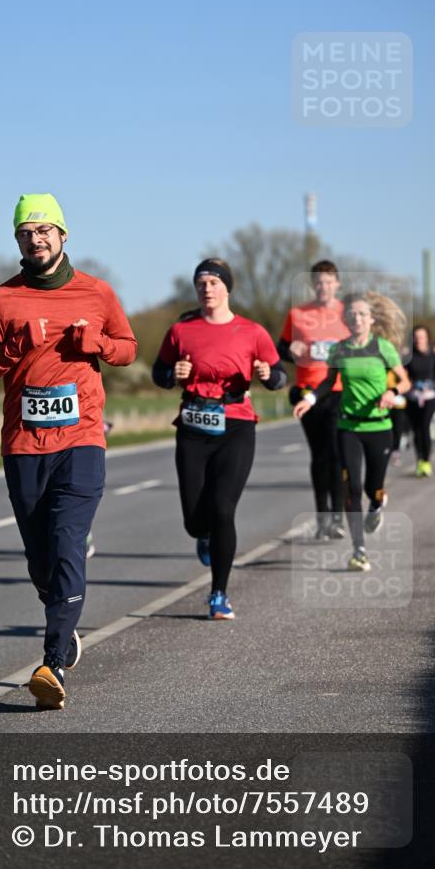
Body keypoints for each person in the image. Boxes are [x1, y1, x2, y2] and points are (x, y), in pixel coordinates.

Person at [0, 193, 137, 709]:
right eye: (25, 233)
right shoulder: (3, 300)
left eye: (44, 231)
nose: (35, 240)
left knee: (65, 543)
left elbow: (127, 348)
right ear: (17, 239)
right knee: (42, 560)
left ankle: (52, 662)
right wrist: (14, 347)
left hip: (82, 438)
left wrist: (98, 346)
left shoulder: (96, 292)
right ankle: (62, 611)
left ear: (63, 235)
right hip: (23, 444)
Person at [152, 258, 286, 619]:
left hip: (236, 425)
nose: (207, 288)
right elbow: (159, 372)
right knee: (195, 520)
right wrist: (172, 374)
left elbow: (279, 375)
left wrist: (267, 374)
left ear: (227, 288)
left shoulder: (252, 331)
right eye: (201, 283)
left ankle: (219, 594)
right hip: (194, 426)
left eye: (213, 282)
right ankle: (203, 535)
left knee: (224, 509)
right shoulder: (182, 330)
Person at [293, 292, 410, 572]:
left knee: (373, 488)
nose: (356, 318)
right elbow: (327, 383)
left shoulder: (383, 348)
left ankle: (378, 503)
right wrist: (309, 400)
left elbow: (405, 382)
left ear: (371, 320)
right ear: (347, 320)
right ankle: (359, 551)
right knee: (353, 488)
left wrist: (391, 392)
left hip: (380, 428)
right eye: (352, 314)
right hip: (348, 427)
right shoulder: (339, 350)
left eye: (361, 314)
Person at [278, 260, 350, 540]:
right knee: (319, 455)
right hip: (307, 394)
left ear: (337, 284)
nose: (323, 287)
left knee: (336, 453)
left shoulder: (348, 314)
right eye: (318, 282)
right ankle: (322, 517)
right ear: (313, 284)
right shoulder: (297, 314)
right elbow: (281, 348)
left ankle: (337, 517)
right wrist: (289, 350)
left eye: (328, 281)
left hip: (338, 391)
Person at [405, 326, 435, 477]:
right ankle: (419, 459)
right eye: (416, 336)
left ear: (427, 338)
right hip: (413, 397)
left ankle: (426, 460)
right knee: (416, 431)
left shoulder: (432, 356)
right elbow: (403, 374)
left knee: (425, 427)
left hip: (429, 396)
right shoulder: (409, 357)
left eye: (422, 336)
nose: (419, 339)